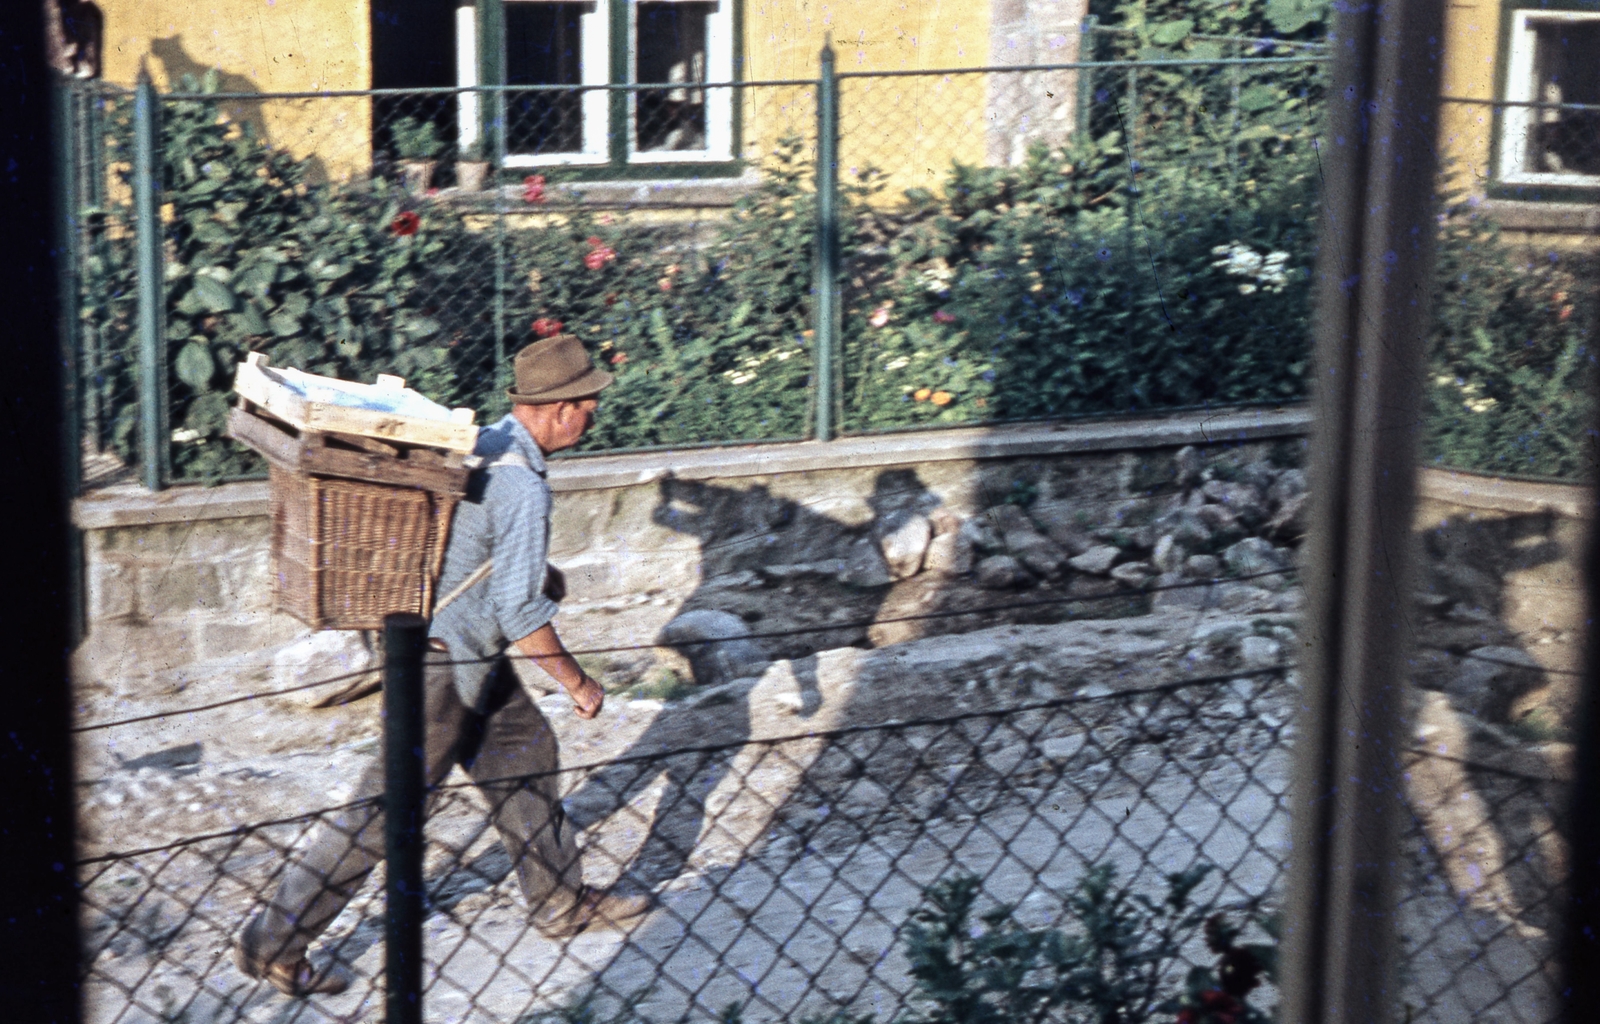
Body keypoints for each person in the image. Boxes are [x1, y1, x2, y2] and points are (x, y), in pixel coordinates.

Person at [234, 334, 651, 998]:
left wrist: (537, 576)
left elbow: (471, 553)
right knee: (383, 813)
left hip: (447, 645)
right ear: (564, 409)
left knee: (524, 750)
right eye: (589, 403)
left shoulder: (484, 445)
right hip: (443, 668)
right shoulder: (522, 487)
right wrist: (579, 681)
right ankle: (272, 944)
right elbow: (518, 610)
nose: (594, 415)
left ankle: (560, 902)